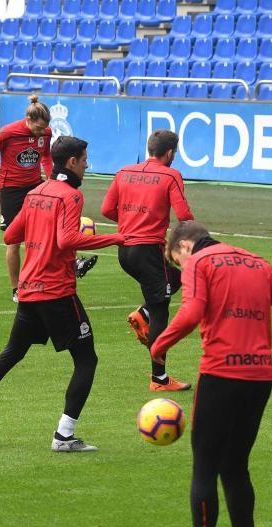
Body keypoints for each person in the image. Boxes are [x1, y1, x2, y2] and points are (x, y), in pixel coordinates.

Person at [150, 222, 272, 527]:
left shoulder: (198, 263)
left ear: (185, 246)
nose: (180, 266)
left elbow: (191, 312)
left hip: (220, 375)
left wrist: (159, 345)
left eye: (176, 260)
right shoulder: (257, 262)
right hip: (259, 377)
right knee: (235, 466)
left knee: (204, 466)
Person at [0, 136, 124, 452]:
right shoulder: (70, 196)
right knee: (87, 360)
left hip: (29, 290)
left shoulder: (35, 193)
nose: (87, 164)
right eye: (85, 159)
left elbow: (11, 236)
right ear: (71, 162)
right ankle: (64, 436)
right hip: (56, 292)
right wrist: (116, 238)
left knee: (12, 352)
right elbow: (68, 239)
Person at [102, 129, 196, 391]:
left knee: (175, 281)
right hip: (148, 252)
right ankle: (159, 379)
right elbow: (184, 215)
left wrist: (131, 223)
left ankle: (142, 313)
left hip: (125, 251)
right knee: (161, 310)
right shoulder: (170, 174)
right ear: (169, 153)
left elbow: (106, 209)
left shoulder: (124, 172)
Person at [0, 96, 95, 302]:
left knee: (55, 230)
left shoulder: (46, 132)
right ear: (28, 120)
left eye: (45, 128)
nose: (43, 132)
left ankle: (73, 264)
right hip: (12, 190)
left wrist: (53, 181)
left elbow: (46, 157)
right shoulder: (8, 133)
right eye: (39, 128)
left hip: (36, 186)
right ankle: (17, 289)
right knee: (13, 243)